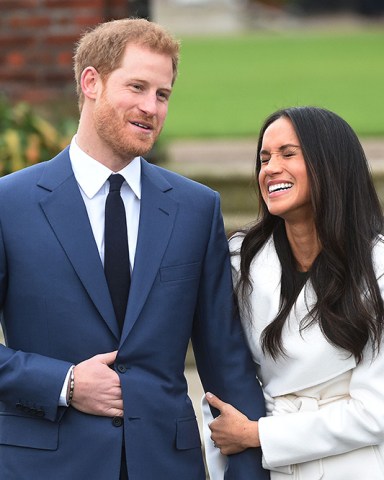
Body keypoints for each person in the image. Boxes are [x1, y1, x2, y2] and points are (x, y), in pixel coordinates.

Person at [0, 18, 268, 480]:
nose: (152, 107)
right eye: (137, 87)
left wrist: (247, 473)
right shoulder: (9, 203)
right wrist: (63, 383)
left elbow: (225, 359)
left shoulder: (196, 207)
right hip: (42, 465)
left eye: (162, 94)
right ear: (91, 83)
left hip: (167, 465)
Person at [202, 106, 384, 479]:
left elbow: (375, 412)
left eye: (288, 154)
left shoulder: (378, 264)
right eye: (264, 158)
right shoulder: (242, 260)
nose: (270, 169)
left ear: (329, 164)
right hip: (267, 469)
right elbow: (223, 379)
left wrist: (258, 434)